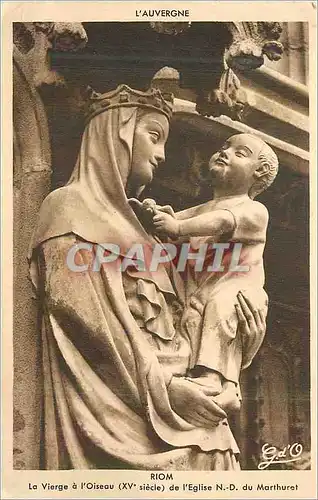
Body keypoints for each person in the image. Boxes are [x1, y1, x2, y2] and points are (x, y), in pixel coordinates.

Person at [28, 85, 266, 470]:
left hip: (195, 413)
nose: (161, 155)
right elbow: (86, 321)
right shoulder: (69, 206)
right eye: (154, 137)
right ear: (114, 134)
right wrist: (166, 387)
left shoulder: (151, 236)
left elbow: (194, 314)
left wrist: (241, 350)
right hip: (127, 412)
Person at [148, 133, 278, 413]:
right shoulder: (203, 209)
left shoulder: (254, 210)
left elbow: (219, 223)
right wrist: (156, 214)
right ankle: (216, 383)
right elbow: (179, 220)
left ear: (260, 172)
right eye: (223, 146)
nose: (225, 152)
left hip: (239, 289)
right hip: (204, 289)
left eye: (240, 153)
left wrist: (178, 228)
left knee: (222, 310)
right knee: (198, 318)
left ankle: (215, 380)